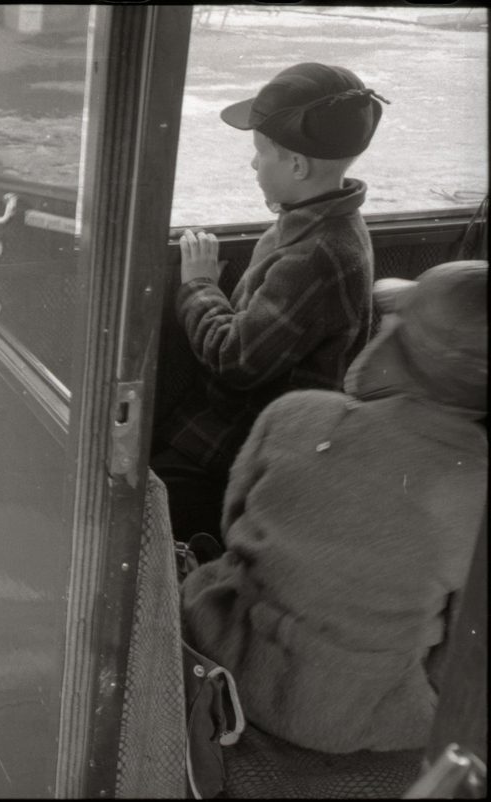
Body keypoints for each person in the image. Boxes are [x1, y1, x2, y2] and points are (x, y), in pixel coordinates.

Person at [181, 260, 487, 760]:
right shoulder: (477, 490)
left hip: (219, 649)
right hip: (346, 719)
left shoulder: (292, 412)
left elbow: (233, 522)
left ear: (394, 339)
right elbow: (461, 645)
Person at [151, 63, 389, 546]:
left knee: (142, 510)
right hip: (233, 429)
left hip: (239, 450)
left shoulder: (316, 254)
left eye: (260, 153)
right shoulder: (316, 217)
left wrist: (199, 285)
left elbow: (234, 358)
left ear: (298, 167)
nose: (253, 165)